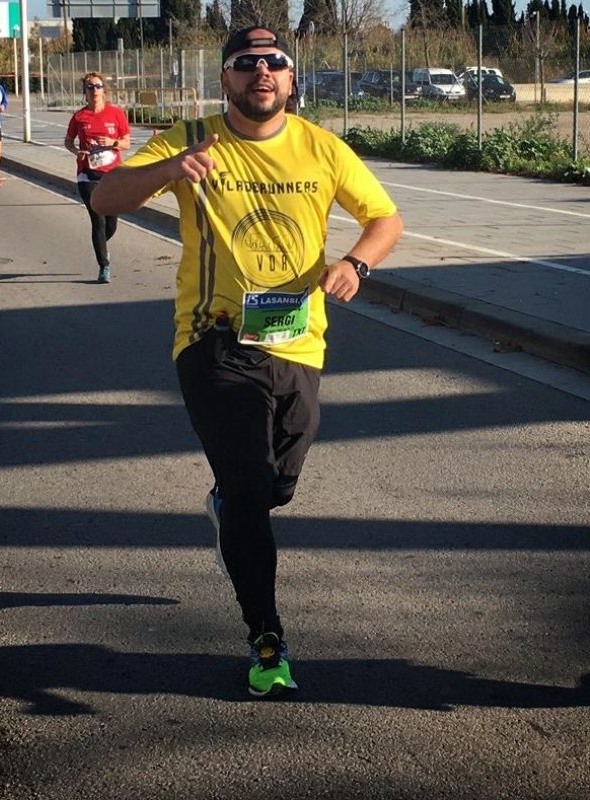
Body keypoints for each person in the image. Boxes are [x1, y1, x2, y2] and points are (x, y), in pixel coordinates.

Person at [92, 26, 402, 697]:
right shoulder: (191, 140)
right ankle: (266, 638)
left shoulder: (322, 147)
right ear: (225, 78)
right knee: (250, 489)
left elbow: (384, 219)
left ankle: (229, 503)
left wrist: (357, 263)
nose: (261, 72)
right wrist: (169, 170)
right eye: (245, 63)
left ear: (291, 78)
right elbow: (104, 198)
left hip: (298, 342)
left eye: (274, 62)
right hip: (215, 341)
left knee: (276, 485)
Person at [64, 72, 131, 283]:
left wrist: (112, 142)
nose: (94, 90)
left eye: (98, 86)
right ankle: (104, 266)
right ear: (85, 92)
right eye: (90, 87)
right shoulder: (79, 117)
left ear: (104, 90)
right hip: (87, 174)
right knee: (98, 220)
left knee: (111, 224)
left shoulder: (116, 114)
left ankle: (100, 245)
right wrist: (77, 152)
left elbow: (126, 143)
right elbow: (68, 142)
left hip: (112, 175)